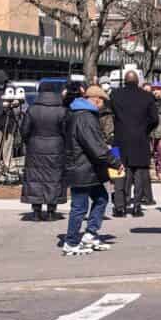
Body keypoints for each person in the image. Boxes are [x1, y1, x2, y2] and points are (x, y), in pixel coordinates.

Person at [62, 84, 116, 255]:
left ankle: (90, 234)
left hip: (88, 167)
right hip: (82, 167)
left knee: (101, 198)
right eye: (103, 102)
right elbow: (95, 147)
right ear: (97, 100)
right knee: (79, 206)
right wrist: (114, 161)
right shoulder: (85, 117)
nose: (103, 107)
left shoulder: (79, 114)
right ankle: (71, 242)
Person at [108, 71, 157, 217]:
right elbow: (154, 119)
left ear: (125, 81)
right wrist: (145, 129)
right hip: (140, 138)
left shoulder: (115, 95)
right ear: (138, 81)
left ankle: (120, 206)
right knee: (139, 172)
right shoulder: (147, 96)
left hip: (120, 139)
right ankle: (136, 206)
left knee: (119, 172)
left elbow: (111, 114)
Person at [20, 83, 68, 221]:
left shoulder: (32, 109)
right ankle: (51, 211)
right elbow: (66, 131)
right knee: (54, 178)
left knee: (35, 178)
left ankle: (36, 211)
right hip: (56, 147)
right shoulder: (62, 110)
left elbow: (24, 130)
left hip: (35, 146)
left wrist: (29, 141)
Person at [148, 84, 161, 169]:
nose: (155, 91)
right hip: (152, 130)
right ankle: (157, 169)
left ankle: (160, 170)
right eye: (153, 89)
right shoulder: (150, 101)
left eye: (157, 89)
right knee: (155, 151)